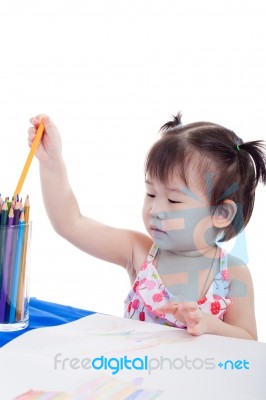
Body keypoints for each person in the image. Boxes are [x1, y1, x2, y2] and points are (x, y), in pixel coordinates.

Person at [28, 112, 266, 340]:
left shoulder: (232, 273)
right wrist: (51, 163)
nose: (155, 210)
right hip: (132, 378)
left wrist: (209, 325)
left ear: (222, 213)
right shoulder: (139, 251)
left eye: (173, 200)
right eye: (151, 193)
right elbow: (71, 223)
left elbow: (248, 340)